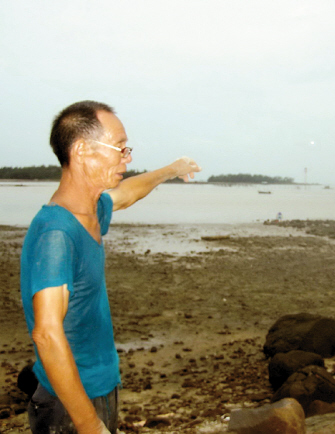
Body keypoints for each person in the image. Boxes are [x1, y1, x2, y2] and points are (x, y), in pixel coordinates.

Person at [20, 100, 201, 434]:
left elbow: (127, 194)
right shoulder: (56, 234)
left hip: (99, 388)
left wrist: (171, 169)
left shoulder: (90, 212)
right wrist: (89, 424)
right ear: (82, 150)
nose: (127, 158)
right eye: (120, 148)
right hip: (69, 405)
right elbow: (46, 334)